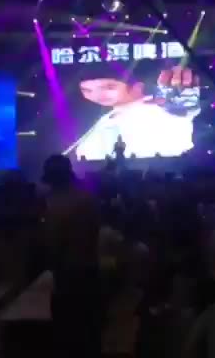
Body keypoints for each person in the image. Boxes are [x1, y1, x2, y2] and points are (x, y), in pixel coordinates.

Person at [70, 62, 200, 160]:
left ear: (137, 85)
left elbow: (181, 111)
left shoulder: (159, 108)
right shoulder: (107, 118)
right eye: (87, 90)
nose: (98, 95)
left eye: (109, 87)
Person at [42, 155, 101, 357]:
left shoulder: (55, 205)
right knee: (89, 335)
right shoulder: (88, 199)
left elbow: (53, 245)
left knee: (67, 337)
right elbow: (94, 234)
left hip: (67, 277)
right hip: (90, 272)